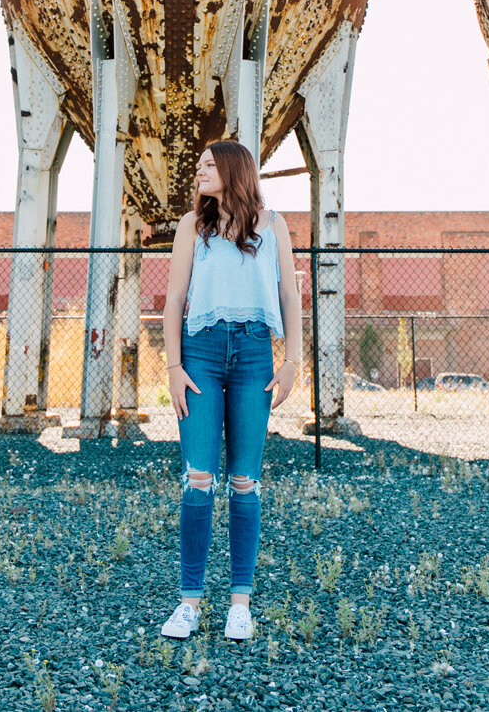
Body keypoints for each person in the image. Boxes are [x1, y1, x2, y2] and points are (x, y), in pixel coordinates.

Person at [161, 141, 301, 641]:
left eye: (208, 164)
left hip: (254, 355)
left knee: (245, 481)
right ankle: (189, 602)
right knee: (198, 478)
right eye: (199, 164)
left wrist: (292, 362)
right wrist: (173, 367)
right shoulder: (191, 226)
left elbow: (289, 295)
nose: (199, 170)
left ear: (233, 170)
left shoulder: (274, 225)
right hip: (199, 353)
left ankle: (240, 604)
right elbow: (175, 297)